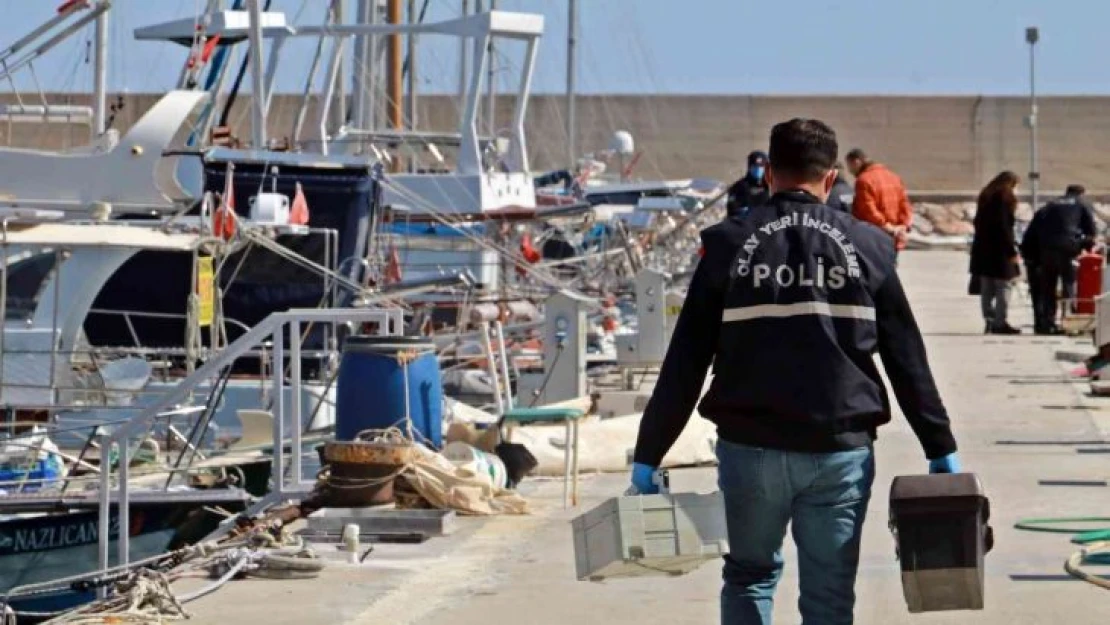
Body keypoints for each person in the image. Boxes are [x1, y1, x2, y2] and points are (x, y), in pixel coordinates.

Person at [630, 118, 961, 625]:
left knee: (749, 575)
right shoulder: (870, 247)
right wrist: (939, 445)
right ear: (830, 179)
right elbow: (905, 357)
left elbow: (686, 362)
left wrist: (650, 452)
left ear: (769, 175)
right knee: (828, 597)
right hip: (839, 450)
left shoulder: (725, 244)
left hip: (750, 449)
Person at [1021, 184, 1097, 334]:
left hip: (1046, 250)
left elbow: (1032, 231)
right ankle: (1068, 320)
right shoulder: (1081, 204)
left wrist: (1031, 256)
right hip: (1068, 248)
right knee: (1069, 283)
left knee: (1048, 286)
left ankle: (1048, 322)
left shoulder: (1050, 205)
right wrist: (1087, 246)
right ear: (1081, 193)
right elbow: (1091, 230)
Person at [969, 171, 1022, 335]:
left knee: (987, 287)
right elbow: (1004, 227)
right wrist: (1011, 251)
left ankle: (989, 319)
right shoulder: (1004, 198)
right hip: (1000, 252)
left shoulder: (985, 196)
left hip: (982, 251)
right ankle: (1000, 322)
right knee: (1004, 286)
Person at [846, 148, 914, 252]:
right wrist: (903, 226)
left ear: (857, 162)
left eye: (850, 166)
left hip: (874, 237)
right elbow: (905, 204)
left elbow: (868, 210)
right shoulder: (894, 177)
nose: (850, 171)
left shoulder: (863, 180)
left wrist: (886, 226)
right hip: (894, 238)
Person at [725, 150, 770, 218]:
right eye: (755, 166)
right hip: (746, 224)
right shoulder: (738, 187)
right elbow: (732, 211)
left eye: (761, 167)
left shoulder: (772, 186)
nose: (758, 169)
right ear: (749, 167)